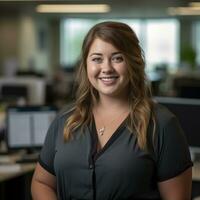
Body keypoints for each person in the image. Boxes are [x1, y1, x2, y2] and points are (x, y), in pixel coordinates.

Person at [31, 21, 193, 200]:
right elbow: (42, 182)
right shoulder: (65, 119)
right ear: (86, 64)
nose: (106, 68)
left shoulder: (161, 124)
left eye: (117, 58)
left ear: (133, 62)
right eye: (97, 59)